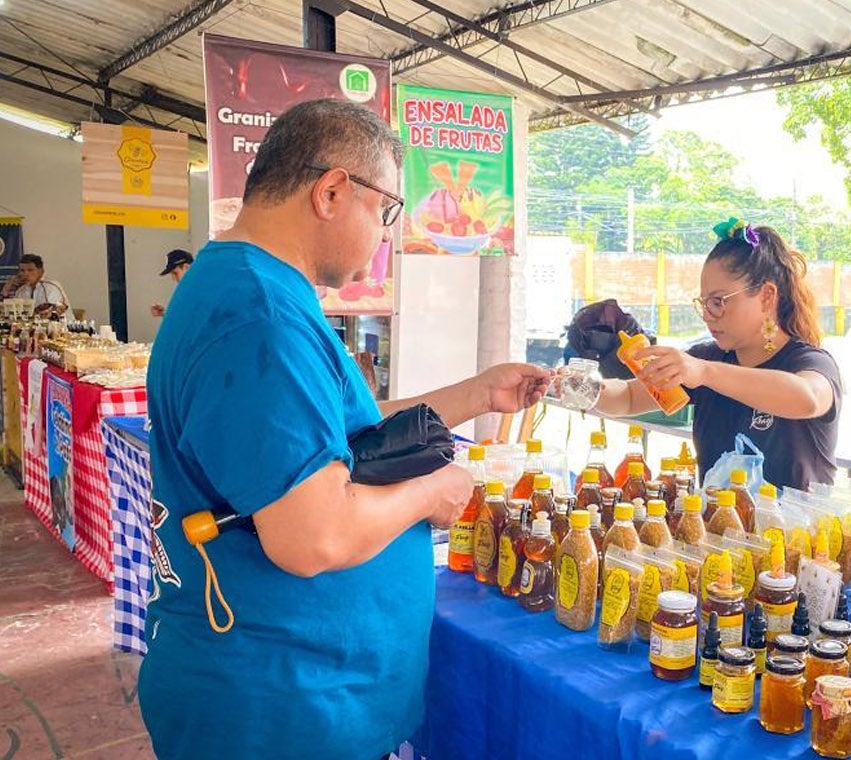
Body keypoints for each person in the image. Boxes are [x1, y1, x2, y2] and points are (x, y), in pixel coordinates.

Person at [139, 99, 552, 759]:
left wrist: (476, 393)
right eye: (388, 210)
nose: (389, 235)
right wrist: (436, 490)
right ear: (332, 191)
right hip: (280, 710)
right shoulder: (261, 317)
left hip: (292, 693)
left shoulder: (250, 288)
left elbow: (328, 434)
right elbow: (314, 535)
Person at [595, 218, 841, 491]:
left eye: (719, 302)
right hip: (719, 531)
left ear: (767, 296)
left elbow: (806, 398)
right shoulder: (707, 359)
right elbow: (628, 398)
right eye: (704, 303)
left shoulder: (809, 361)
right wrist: (576, 387)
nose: (708, 316)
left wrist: (704, 372)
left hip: (798, 533)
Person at [2, 253, 69, 316]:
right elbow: (12, 314)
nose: (25, 274)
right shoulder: (22, 290)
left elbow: (50, 315)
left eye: (30, 270)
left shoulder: (51, 287)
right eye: (22, 270)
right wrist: (5, 291)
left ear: (41, 271)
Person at [151, 248, 193, 317]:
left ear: (186, 267)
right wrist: (164, 313)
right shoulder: (187, 291)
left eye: (175, 273)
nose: (173, 278)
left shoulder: (202, 290)